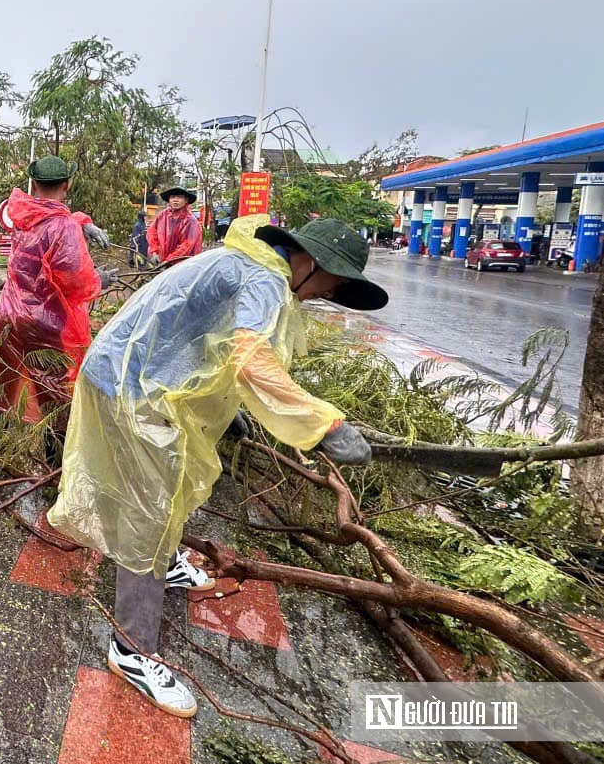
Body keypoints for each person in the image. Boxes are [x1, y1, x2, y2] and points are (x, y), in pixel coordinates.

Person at [49, 215, 387, 717]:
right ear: (311, 264)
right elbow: (251, 358)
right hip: (129, 388)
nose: (323, 296)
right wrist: (324, 426)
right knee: (150, 510)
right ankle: (131, 650)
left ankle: (164, 565)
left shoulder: (249, 263)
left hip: (138, 378)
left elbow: (206, 343)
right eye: (331, 285)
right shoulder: (266, 280)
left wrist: (230, 411)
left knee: (170, 483)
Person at [0, 156, 111, 441]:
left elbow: (51, 218)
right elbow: (77, 281)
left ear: (33, 183)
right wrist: (99, 280)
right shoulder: (63, 227)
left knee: (3, 381)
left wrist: (82, 222)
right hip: (45, 323)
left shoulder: (21, 214)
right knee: (54, 391)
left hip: (9, 314)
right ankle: (53, 463)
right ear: (67, 185)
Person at [147, 185, 203, 264]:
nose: (175, 200)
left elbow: (187, 245)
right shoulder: (163, 215)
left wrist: (169, 260)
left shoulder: (190, 221)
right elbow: (152, 232)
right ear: (169, 200)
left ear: (186, 200)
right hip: (162, 261)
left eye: (179, 197)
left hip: (183, 265)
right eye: (173, 197)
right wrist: (154, 251)